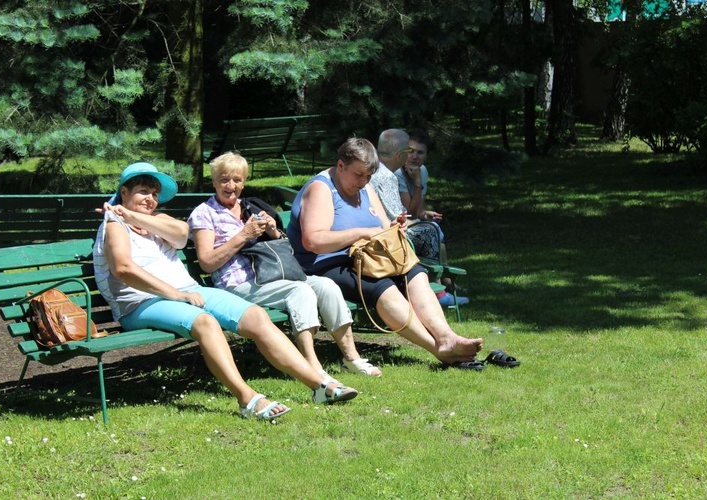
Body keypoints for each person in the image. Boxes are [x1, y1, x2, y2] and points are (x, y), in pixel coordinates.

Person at [93, 162, 358, 422]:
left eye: (154, 194)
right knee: (205, 322)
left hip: (188, 292)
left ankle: (319, 385)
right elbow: (123, 269)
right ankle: (247, 398)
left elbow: (181, 234)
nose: (150, 198)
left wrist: (133, 215)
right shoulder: (114, 225)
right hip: (140, 303)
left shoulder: (155, 220)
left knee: (255, 316)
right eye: (142, 191)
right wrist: (175, 294)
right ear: (124, 193)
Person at [286, 138, 485, 370]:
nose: (364, 182)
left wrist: (394, 225)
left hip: (368, 257)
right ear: (340, 166)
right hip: (326, 264)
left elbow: (381, 228)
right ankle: (438, 349)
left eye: (369, 176)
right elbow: (313, 241)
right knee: (381, 285)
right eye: (359, 175)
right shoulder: (321, 189)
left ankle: (446, 336)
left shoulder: (366, 188)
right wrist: (360, 232)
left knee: (414, 272)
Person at [188, 152, 382, 378]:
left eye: (237, 180)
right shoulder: (204, 213)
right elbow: (207, 263)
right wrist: (243, 235)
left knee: (326, 286)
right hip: (238, 284)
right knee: (300, 291)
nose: (231, 185)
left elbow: (281, 248)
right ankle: (312, 366)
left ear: (244, 181)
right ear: (213, 181)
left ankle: (352, 358)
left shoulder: (249, 207)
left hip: (272, 275)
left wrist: (272, 232)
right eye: (224, 180)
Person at [370, 129, 468, 307]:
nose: (412, 156)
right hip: (383, 237)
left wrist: (420, 216)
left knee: (429, 227)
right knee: (430, 230)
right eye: (409, 151)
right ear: (400, 155)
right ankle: (435, 293)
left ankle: (438, 289)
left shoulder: (378, 171)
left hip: (377, 233)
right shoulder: (386, 176)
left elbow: (409, 213)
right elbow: (400, 217)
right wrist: (418, 220)